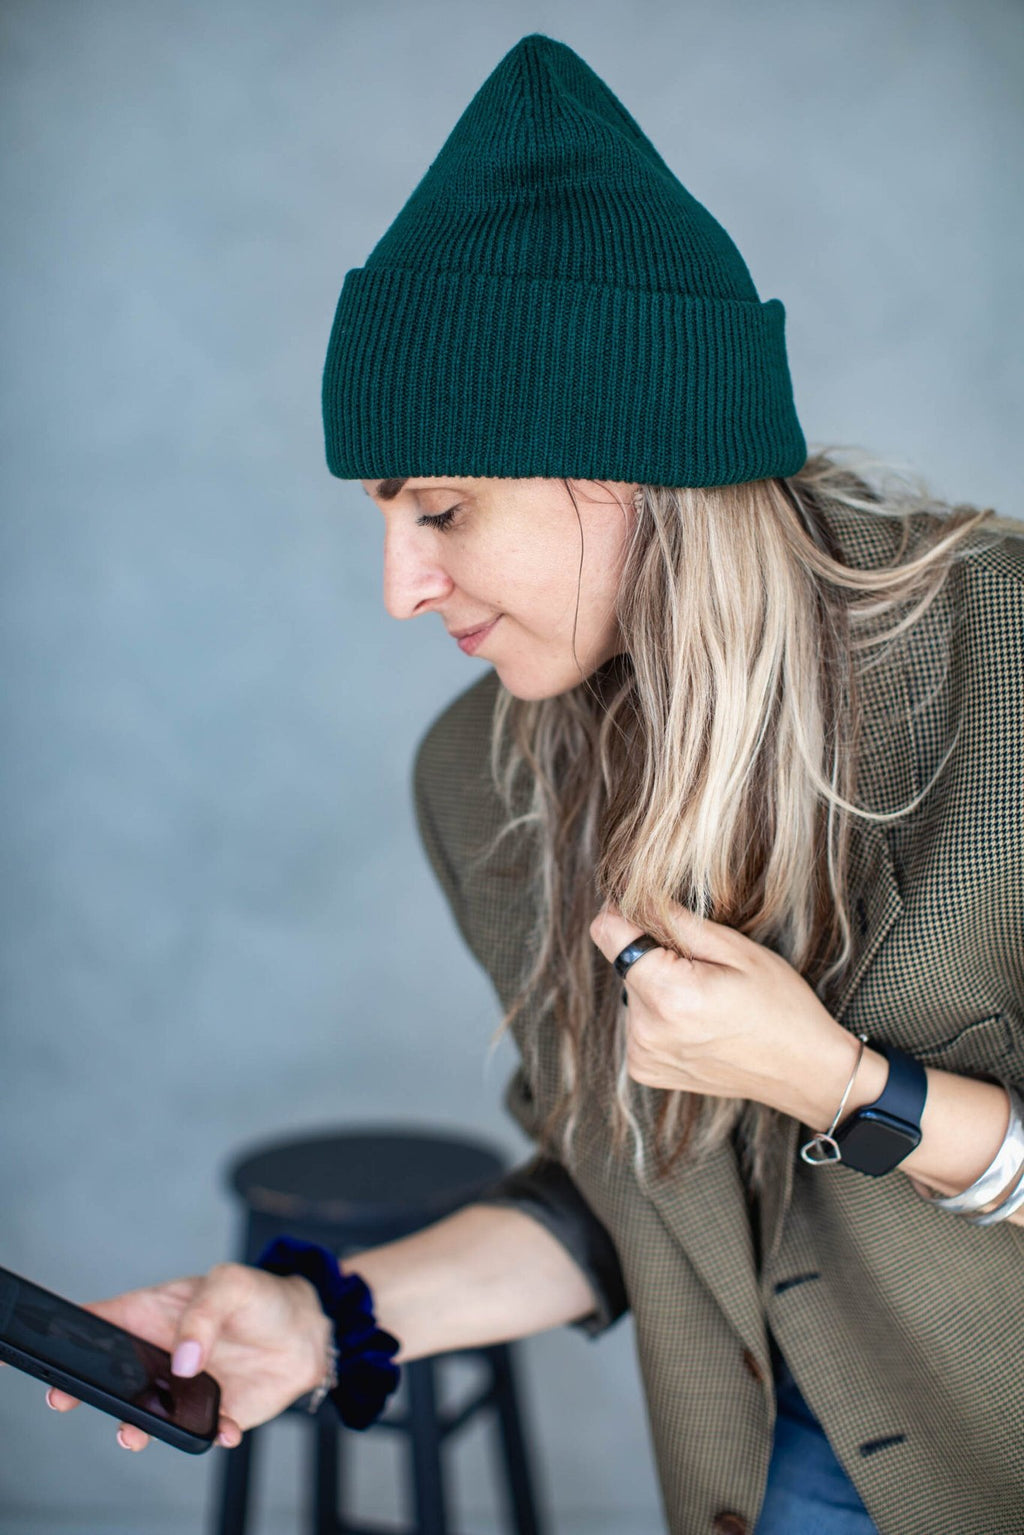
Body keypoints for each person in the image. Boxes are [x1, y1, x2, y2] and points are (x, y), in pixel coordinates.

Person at [32, 33, 1024, 1535]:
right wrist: (323, 1326)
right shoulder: (484, 776)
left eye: (442, 508)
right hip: (768, 1482)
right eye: (385, 514)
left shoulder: (999, 667)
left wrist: (836, 1084)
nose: (398, 587)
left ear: (623, 460)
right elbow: (616, 1206)